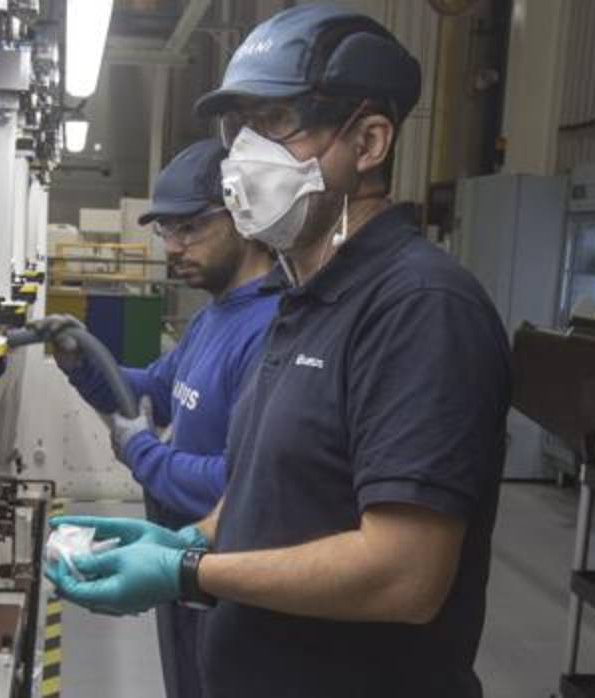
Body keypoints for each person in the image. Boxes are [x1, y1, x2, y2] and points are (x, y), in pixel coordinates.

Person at [46, 5, 512, 697]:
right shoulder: (302, 301)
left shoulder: (420, 308)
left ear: (370, 140)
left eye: (276, 123)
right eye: (239, 130)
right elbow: (268, 494)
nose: (243, 157)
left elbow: (405, 574)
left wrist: (188, 574)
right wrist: (186, 539)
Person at [32, 138, 278, 698]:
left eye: (188, 228)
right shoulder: (215, 316)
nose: (171, 247)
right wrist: (83, 360)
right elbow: (155, 394)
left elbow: (236, 484)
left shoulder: (269, 328)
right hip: (178, 555)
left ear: (241, 215)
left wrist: (142, 453)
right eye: (166, 231)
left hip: (227, 574)